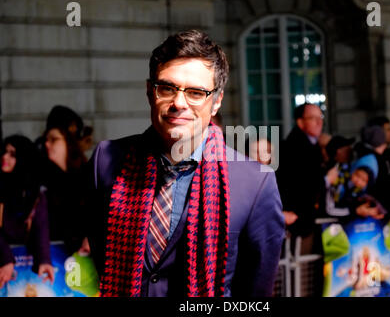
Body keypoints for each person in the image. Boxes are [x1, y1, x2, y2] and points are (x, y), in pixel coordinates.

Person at [85, 30, 285, 297]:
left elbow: (255, 293)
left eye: (195, 92)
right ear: (149, 92)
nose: (178, 103)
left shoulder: (256, 182)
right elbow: (104, 258)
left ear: (216, 102)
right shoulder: (106, 160)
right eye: (167, 88)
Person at [276, 103, 338, 254]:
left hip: (309, 222)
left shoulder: (312, 145)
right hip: (299, 224)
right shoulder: (294, 147)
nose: (319, 122)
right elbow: (301, 185)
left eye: (320, 117)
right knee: (301, 270)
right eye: (313, 118)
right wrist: (326, 180)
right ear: (300, 122)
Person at [0, 135, 54, 289]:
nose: (4, 157)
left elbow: (41, 227)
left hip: (17, 268)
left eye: (12, 154)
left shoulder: (35, 194)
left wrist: (44, 260)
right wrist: (5, 259)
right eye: (4, 152)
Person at [42, 125, 88, 255]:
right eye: (46, 139)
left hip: (85, 255)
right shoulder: (45, 180)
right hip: (56, 256)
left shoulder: (86, 174)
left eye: (54, 139)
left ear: (68, 143)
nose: (47, 143)